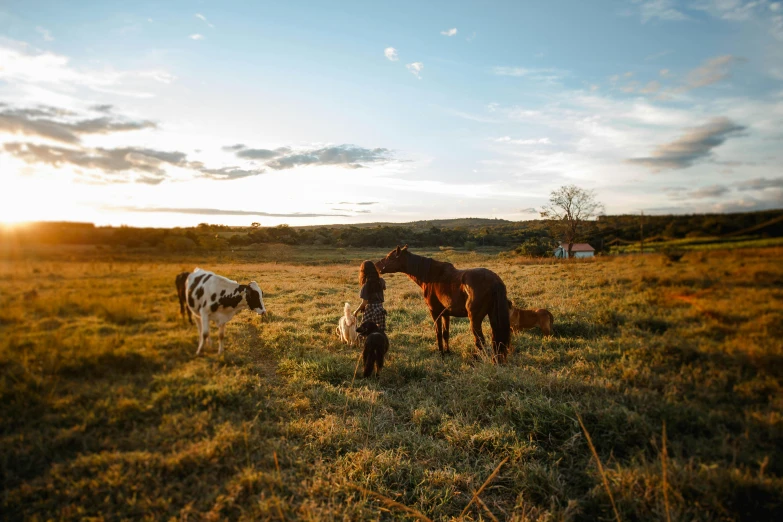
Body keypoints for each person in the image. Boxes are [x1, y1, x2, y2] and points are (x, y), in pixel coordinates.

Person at [353, 260, 387, 332]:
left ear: (364, 272)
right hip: (380, 308)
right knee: (379, 330)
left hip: (370, 309)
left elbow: (364, 303)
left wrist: (356, 312)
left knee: (364, 331)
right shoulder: (381, 281)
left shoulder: (366, 285)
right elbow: (384, 287)